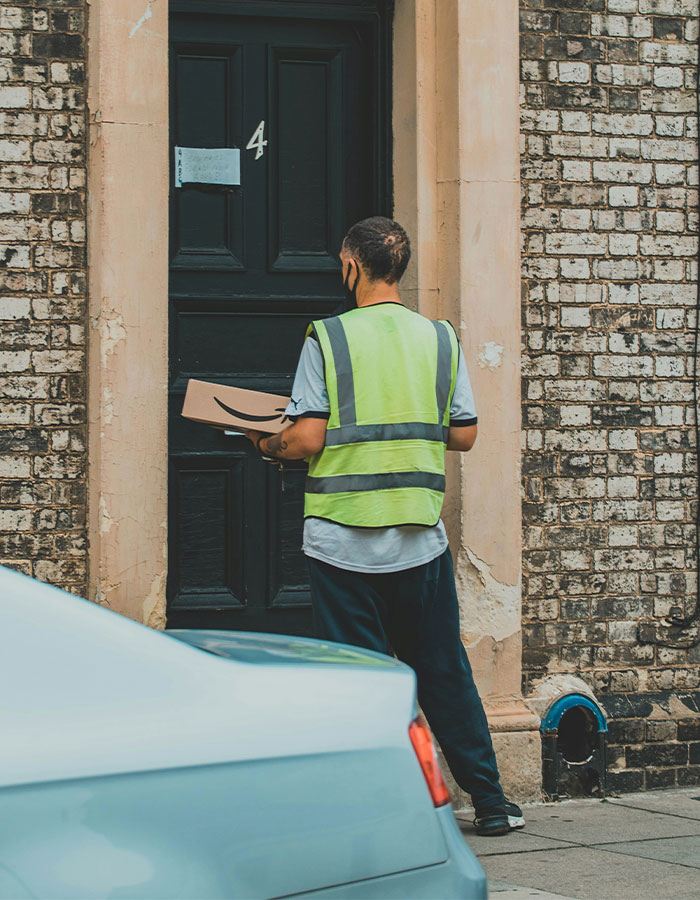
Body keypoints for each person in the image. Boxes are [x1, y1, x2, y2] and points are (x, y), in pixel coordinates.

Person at [245, 216, 524, 836]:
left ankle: (380, 810)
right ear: (399, 268)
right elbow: (465, 433)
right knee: (445, 673)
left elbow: (309, 436)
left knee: (359, 682)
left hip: (342, 540)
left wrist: (268, 444)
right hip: (419, 541)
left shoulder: (329, 337)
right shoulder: (441, 339)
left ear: (351, 264)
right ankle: (492, 802)